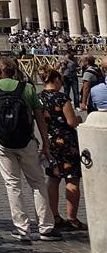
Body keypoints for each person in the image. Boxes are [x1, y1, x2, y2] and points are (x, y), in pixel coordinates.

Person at [0, 57, 61, 242]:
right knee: (38, 183)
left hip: (3, 142)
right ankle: (46, 228)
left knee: (12, 184)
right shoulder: (28, 88)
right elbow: (40, 118)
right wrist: (46, 144)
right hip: (27, 141)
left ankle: (22, 229)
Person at [38, 68, 86, 231]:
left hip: (49, 141)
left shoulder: (39, 98)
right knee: (72, 179)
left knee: (53, 178)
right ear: (56, 79)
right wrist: (79, 118)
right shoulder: (61, 98)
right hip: (67, 142)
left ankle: (55, 216)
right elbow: (71, 122)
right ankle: (72, 218)